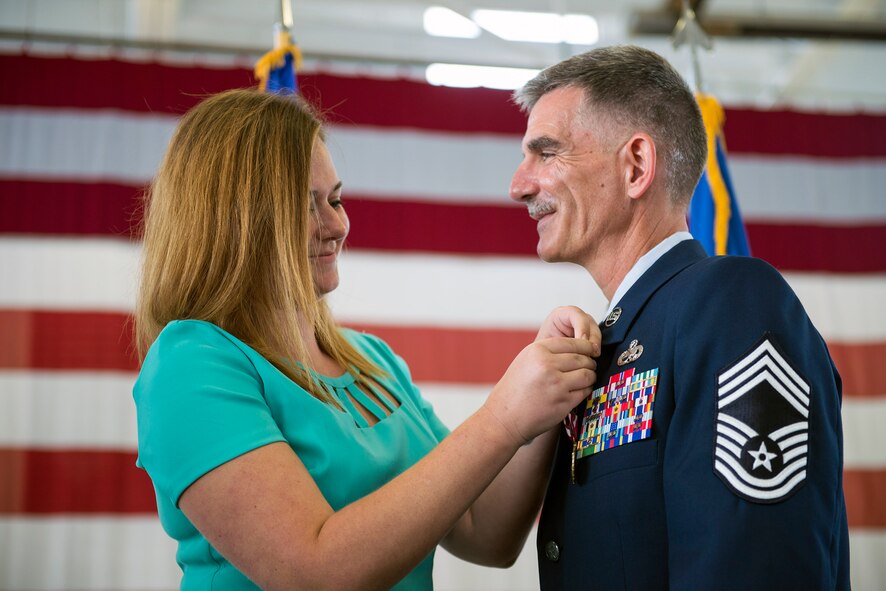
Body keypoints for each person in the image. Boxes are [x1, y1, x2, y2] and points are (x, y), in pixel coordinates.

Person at [133, 88, 601, 591]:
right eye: (306, 205)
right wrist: (504, 416)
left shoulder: (371, 359)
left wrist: (547, 389)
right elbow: (314, 572)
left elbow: (485, 534)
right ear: (236, 218)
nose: (337, 225)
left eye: (335, 198)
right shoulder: (192, 361)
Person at [509, 45, 850, 590]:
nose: (519, 185)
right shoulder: (617, 339)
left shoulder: (734, 307)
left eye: (546, 153)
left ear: (636, 165)